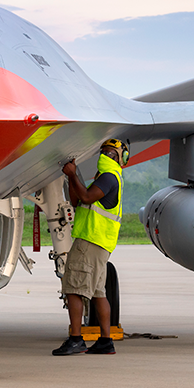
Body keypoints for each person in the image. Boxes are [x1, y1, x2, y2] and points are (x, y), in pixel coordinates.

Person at [53, 138, 129, 356]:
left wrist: (72, 175)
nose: (105, 155)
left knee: (73, 290)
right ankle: (105, 341)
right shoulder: (107, 177)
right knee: (98, 293)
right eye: (105, 152)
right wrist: (72, 179)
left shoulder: (108, 177)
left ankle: (76, 339)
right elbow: (78, 201)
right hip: (100, 243)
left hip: (90, 241)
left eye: (109, 152)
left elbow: (86, 197)